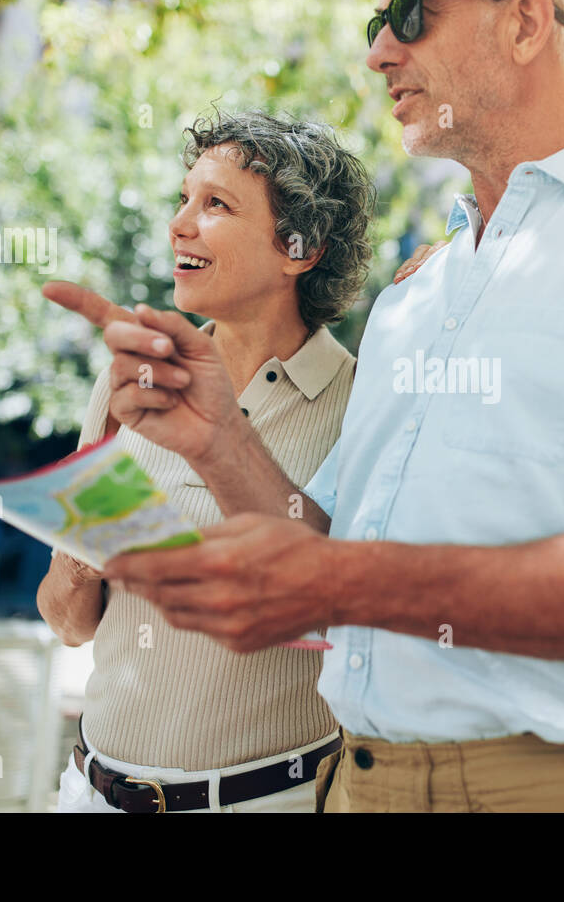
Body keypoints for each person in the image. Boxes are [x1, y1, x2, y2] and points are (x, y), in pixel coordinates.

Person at [62, 0, 564, 813]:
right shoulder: (414, 300)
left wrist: (347, 582)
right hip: (354, 786)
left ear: (526, 21)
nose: (380, 51)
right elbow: (324, 565)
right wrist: (218, 436)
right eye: (374, 24)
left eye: (410, 13)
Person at [37, 109, 374, 812]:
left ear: (300, 248)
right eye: (184, 199)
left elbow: (353, 621)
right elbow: (69, 623)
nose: (180, 224)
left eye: (216, 205)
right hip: (91, 792)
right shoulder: (130, 382)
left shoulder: (363, 407)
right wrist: (78, 562)